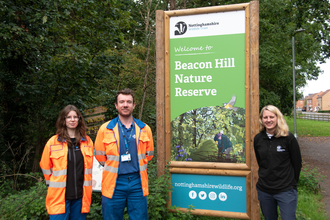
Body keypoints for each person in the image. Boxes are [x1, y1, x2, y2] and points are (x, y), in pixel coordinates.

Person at [94, 88, 154, 220]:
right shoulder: (105, 129)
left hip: (137, 182)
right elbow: (100, 156)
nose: (125, 105)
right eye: (121, 102)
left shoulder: (145, 129)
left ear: (133, 105)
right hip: (114, 182)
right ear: (116, 105)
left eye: (128, 102)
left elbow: (149, 155)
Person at [40, 105, 94, 220]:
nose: (72, 119)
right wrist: (54, 183)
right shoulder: (53, 142)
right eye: (69, 117)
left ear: (79, 119)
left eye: (75, 117)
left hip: (81, 197)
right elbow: (45, 166)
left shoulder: (87, 141)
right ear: (63, 120)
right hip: (59, 196)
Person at [254, 105, 302, 220]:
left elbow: (297, 163)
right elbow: (261, 162)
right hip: (264, 190)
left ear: (278, 118)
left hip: (285, 190)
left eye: (272, 117)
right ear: (261, 119)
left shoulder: (288, 138)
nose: (268, 120)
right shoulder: (258, 139)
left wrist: (291, 184)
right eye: (265, 117)